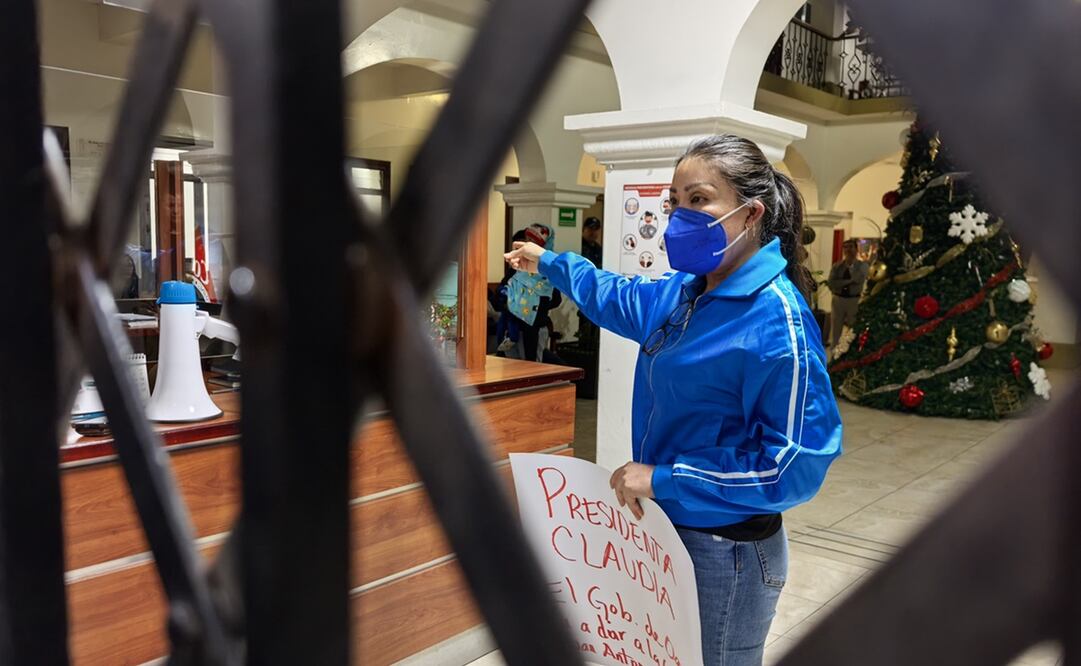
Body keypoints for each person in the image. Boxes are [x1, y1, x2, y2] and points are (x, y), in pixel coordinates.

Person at [505, 134, 842, 666]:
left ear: (750, 214)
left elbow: (794, 466)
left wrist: (664, 478)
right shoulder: (684, 292)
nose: (679, 217)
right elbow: (612, 294)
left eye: (699, 200)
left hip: (726, 553)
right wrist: (548, 261)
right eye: (675, 201)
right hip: (667, 533)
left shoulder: (777, 321)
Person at [500, 224, 563, 362]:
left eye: (533, 240)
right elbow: (504, 286)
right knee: (511, 367)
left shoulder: (547, 268)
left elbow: (556, 299)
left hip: (534, 328)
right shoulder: (519, 265)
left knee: (531, 367)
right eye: (528, 238)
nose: (529, 243)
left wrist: (536, 306)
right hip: (513, 327)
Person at [827, 239, 869, 348]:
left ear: (856, 249)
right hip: (838, 300)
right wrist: (850, 281)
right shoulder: (837, 266)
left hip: (853, 300)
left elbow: (859, 279)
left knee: (853, 326)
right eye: (846, 247)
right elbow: (831, 283)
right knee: (836, 327)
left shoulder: (862, 266)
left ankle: (851, 351)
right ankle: (834, 351)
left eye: (851, 247)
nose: (848, 250)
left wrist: (840, 282)